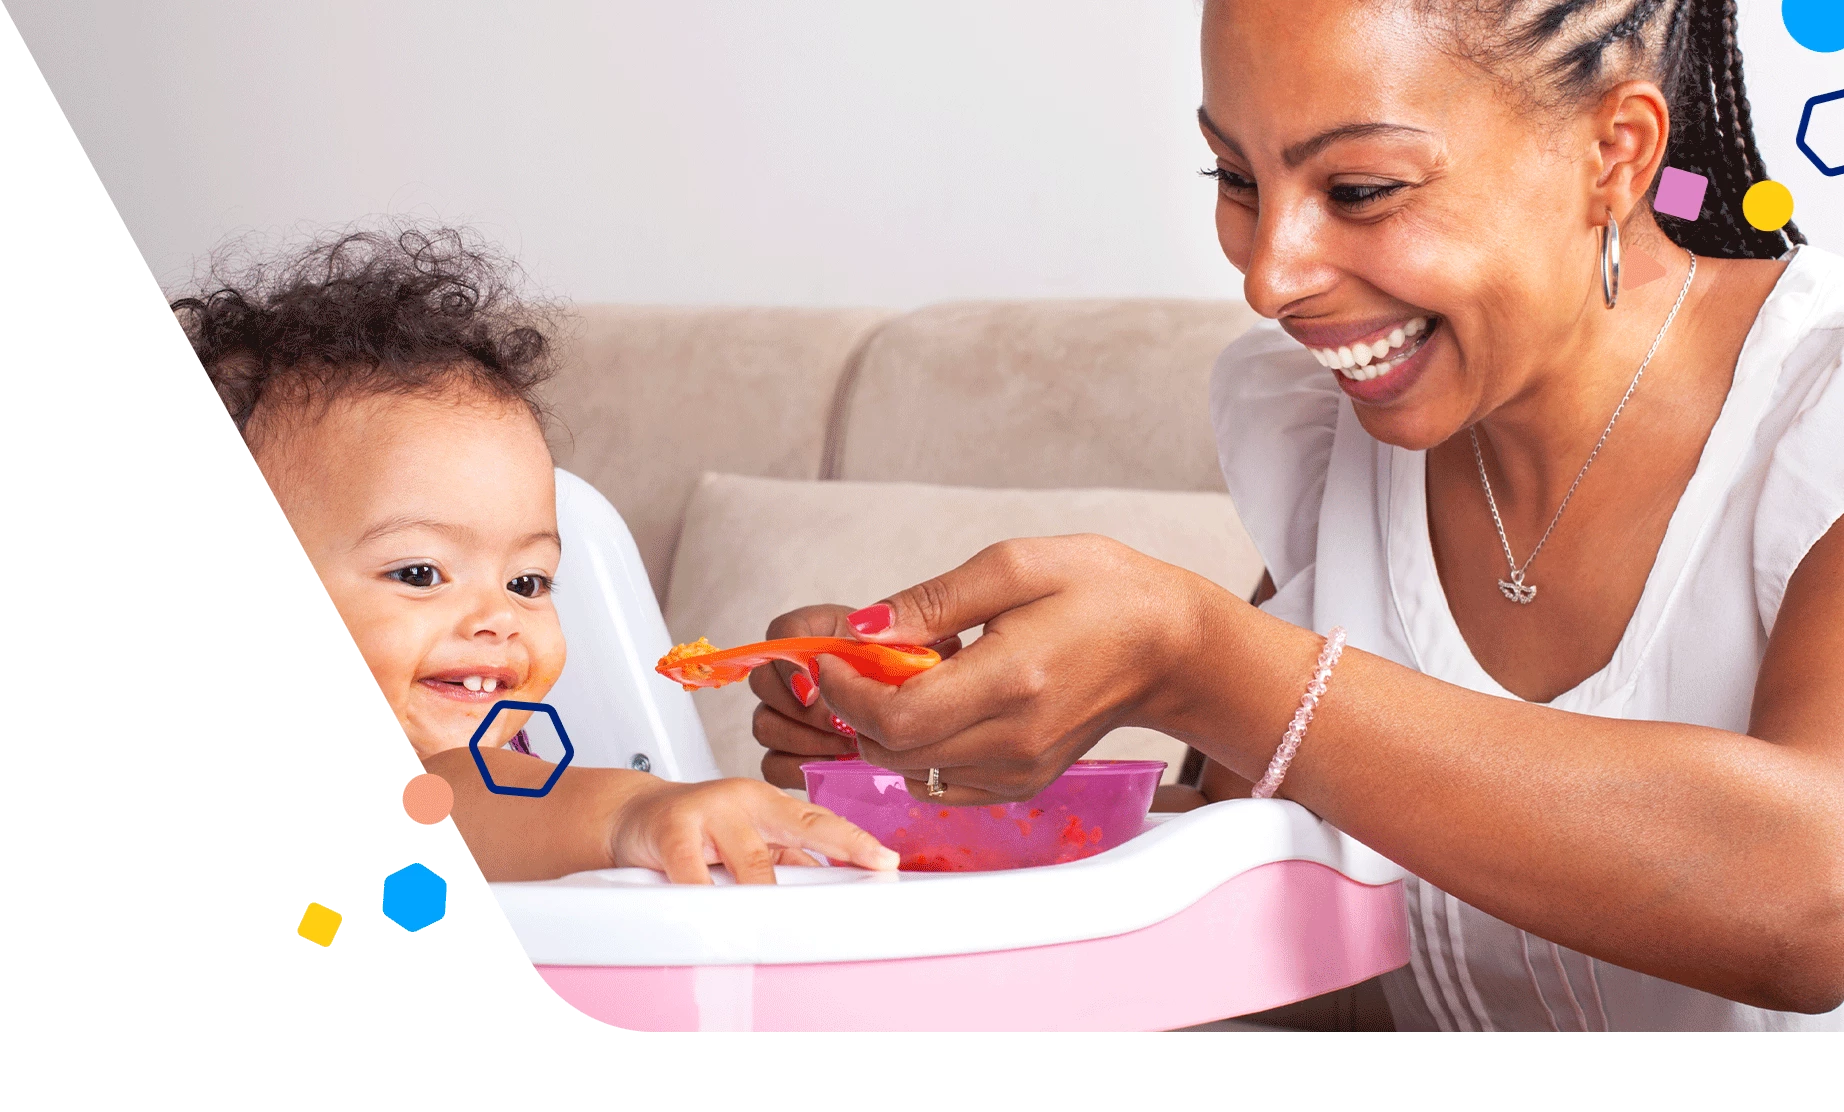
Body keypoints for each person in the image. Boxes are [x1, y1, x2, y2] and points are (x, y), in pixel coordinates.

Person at [752, 0, 1841, 1029]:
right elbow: (1255, 892)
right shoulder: (1341, 446)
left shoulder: (1818, 407)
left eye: (1359, 188)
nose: (1268, 278)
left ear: (1613, 153)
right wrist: (932, 781)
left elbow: (1814, 897)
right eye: (1232, 176)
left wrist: (1201, 661)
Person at [179, 225, 897, 884]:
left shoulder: (526, 763)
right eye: (421, 572)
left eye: (528, 581)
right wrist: (627, 815)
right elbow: (449, 800)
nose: (500, 617)